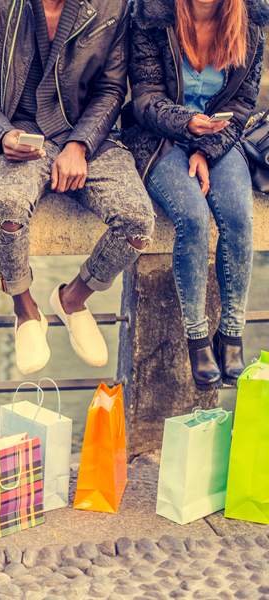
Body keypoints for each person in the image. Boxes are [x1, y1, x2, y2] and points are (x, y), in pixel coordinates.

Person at [0, 0, 155, 375]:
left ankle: (73, 299)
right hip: (13, 133)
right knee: (9, 207)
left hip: (85, 135)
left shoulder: (113, 5)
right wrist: (1, 134)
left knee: (137, 221)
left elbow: (112, 89)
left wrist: (79, 144)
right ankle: (25, 308)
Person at [124, 0, 266, 390]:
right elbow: (145, 98)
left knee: (238, 216)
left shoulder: (251, 21)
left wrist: (207, 149)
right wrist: (187, 125)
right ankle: (197, 336)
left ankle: (232, 333)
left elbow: (241, 103)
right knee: (193, 216)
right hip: (158, 137)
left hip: (219, 140)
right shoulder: (152, 15)